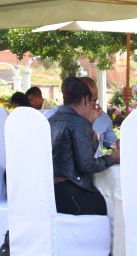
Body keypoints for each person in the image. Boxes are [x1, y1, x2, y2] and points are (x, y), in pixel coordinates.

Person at [49, 77, 119, 215]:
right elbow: (87, 164)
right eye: (93, 101)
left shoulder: (52, 119)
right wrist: (113, 158)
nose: (94, 106)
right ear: (86, 99)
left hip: (53, 193)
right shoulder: (78, 122)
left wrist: (90, 125)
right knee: (115, 205)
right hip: (72, 194)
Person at [80, 77, 116, 148]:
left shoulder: (102, 117)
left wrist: (119, 143)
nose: (92, 104)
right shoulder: (55, 116)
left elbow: (111, 142)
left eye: (94, 100)